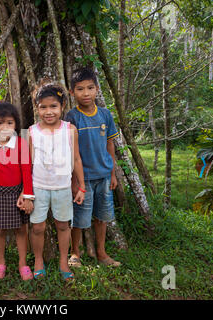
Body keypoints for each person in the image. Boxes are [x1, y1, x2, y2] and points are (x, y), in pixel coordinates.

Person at [64, 67, 121, 267]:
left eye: (90, 88)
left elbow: (110, 144)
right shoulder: (72, 117)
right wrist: (74, 180)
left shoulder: (105, 115)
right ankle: (75, 253)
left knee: (103, 217)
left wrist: (113, 174)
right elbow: (70, 152)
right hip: (83, 179)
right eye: (80, 89)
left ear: (97, 89)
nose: (85, 93)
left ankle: (102, 253)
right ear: (72, 92)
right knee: (79, 218)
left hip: (104, 176)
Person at [28, 83, 86, 281]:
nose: (48, 111)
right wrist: (25, 192)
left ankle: (63, 261)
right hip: (38, 187)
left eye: (53, 106)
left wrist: (81, 186)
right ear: (37, 108)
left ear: (62, 106)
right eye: (43, 107)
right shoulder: (32, 131)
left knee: (63, 225)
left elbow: (77, 159)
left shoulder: (70, 130)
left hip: (62, 188)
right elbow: (27, 164)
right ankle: (38, 260)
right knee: (37, 227)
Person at [0, 102, 35, 280]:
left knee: (21, 229)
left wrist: (27, 197)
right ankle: (1, 262)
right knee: (0, 230)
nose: (5, 127)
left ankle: (22, 263)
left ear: (16, 125)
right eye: (0, 122)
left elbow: (27, 171)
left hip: (18, 194)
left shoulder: (21, 144)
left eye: (10, 123)